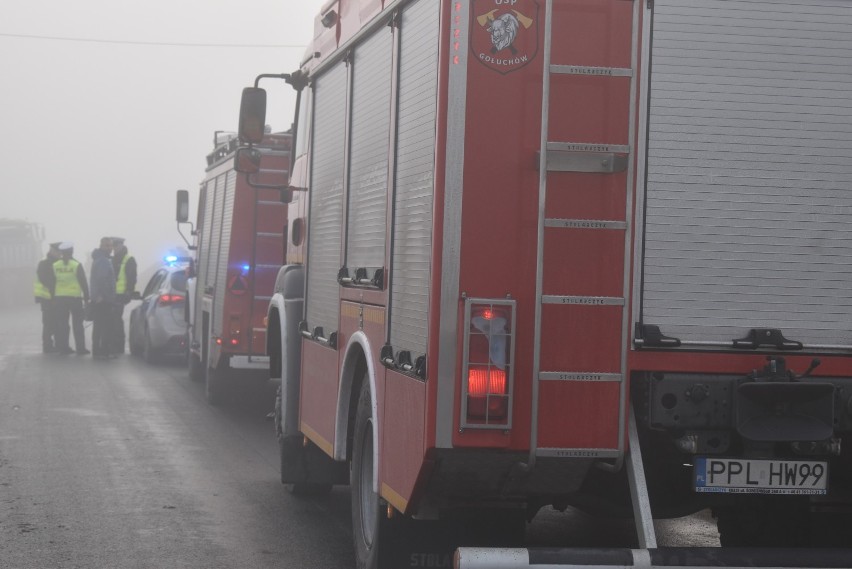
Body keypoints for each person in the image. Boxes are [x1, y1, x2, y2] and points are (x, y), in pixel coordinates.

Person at [52, 242, 90, 355]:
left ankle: (63, 347)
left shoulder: (55, 265)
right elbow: (83, 282)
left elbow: (53, 282)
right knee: (78, 324)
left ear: (62, 253)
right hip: (74, 298)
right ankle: (80, 348)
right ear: (72, 251)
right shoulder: (76, 265)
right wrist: (87, 297)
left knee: (63, 324)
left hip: (60, 298)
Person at [89, 237, 117, 360]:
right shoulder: (103, 261)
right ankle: (104, 350)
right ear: (101, 246)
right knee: (105, 326)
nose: (110, 248)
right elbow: (101, 279)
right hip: (103, 299)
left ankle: (97, 350)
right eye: (107, 246)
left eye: (111, 246)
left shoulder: (99, 259)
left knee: (98, 325)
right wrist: (105, 296)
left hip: (99, 298)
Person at [111, 237, 137, 355]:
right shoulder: (112, 259)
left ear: (121, 245)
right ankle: (114, 344)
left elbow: (132, 278)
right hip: (111, 294)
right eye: (113, 246)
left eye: (116, 245)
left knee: (116, 320)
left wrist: (128, 292)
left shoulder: (128, 259)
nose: (114, 248)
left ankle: (119, 345)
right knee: (113, 320)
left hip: (120, 295)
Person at [34, 242, 62, 353]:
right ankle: (47, 346)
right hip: (47, 299)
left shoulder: (59, 263)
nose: (60, 254)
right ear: (52, 251)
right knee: (48, 323)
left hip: (57, 298)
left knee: (57, 322)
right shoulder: (44, 264)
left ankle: (58, 344)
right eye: (58, 252)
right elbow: (45, 280)